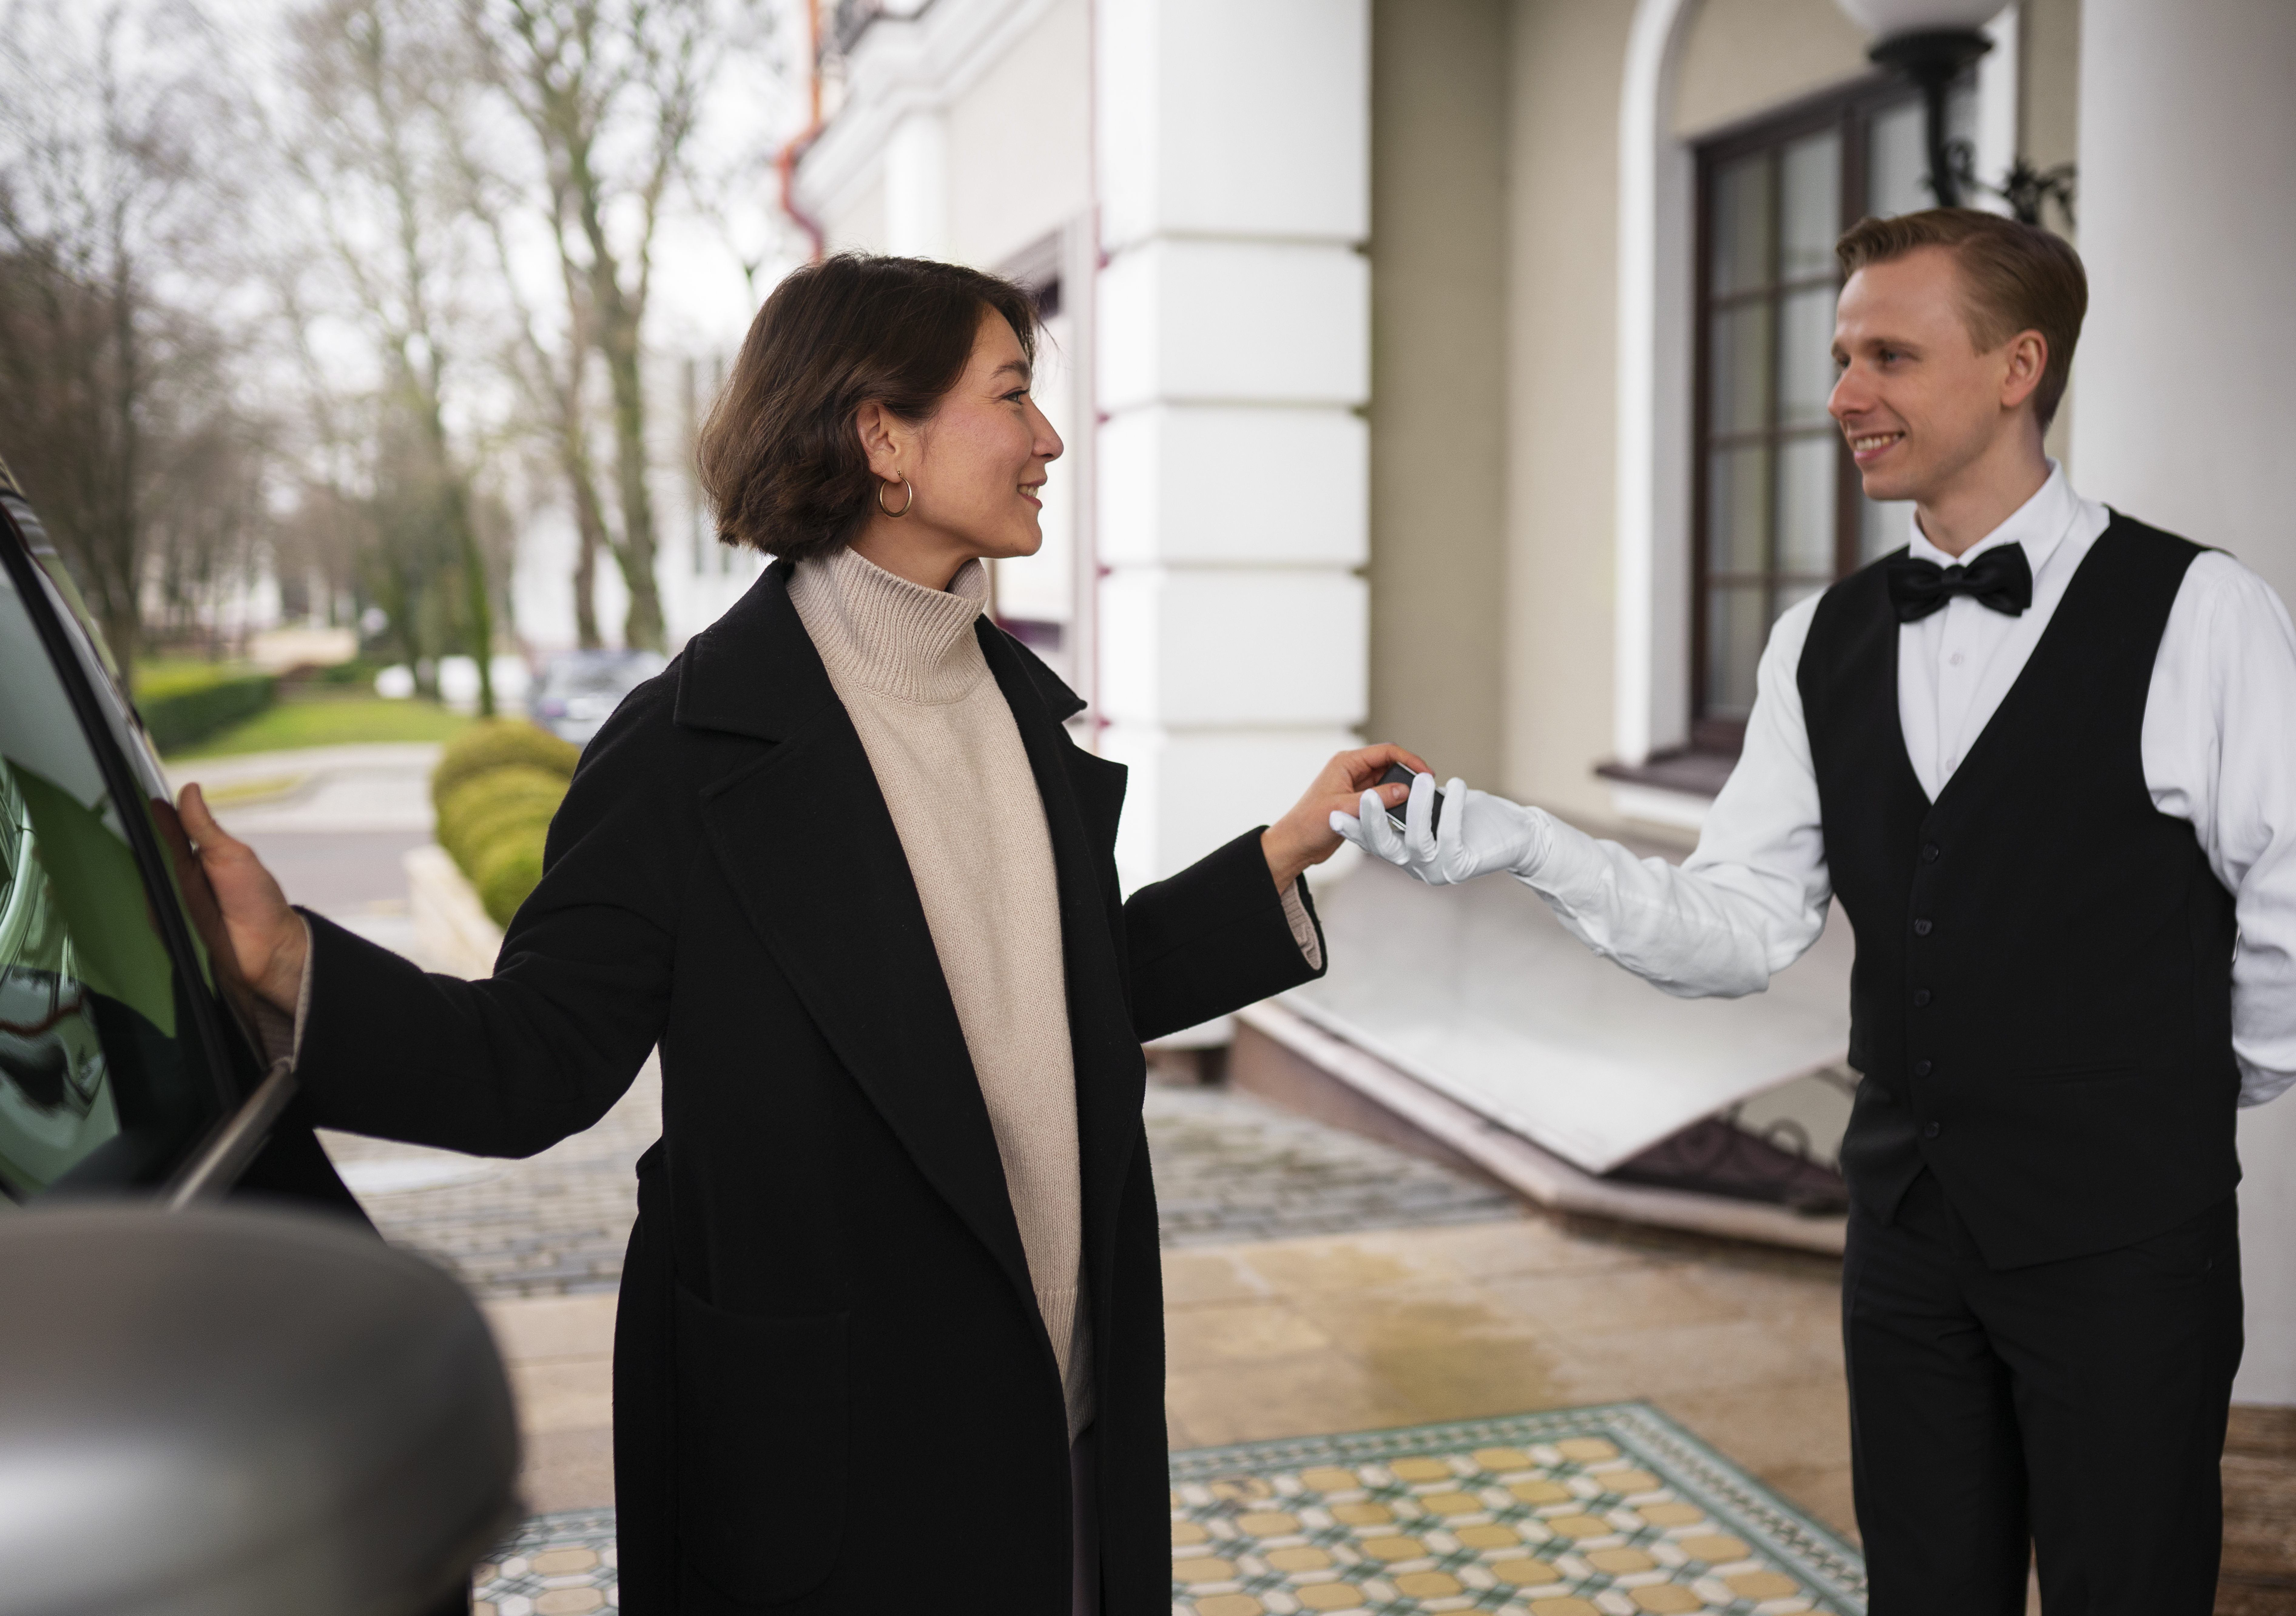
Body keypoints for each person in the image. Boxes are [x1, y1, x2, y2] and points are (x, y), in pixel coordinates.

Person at [180, 253, 1425, 1616]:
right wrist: (292, 961)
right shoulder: (682, 750)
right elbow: (528, 1061)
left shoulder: (1019, 710)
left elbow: (1051, 999)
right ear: (884, 440)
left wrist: (1278, 855)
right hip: (831, 1482)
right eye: (1013, 395)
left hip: (1057, 1423)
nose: (1048, 439)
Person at [1336, 209, 2296, 1612]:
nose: (1843, 397)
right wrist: (1523, 844)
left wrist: (2159, 1104)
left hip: (2129, 1245)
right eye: (1841, 357)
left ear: (2020, 367)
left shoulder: (2202, 614)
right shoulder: (1818, 640)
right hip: (1905, 1236)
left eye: (1889, 355)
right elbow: (1736, 930)